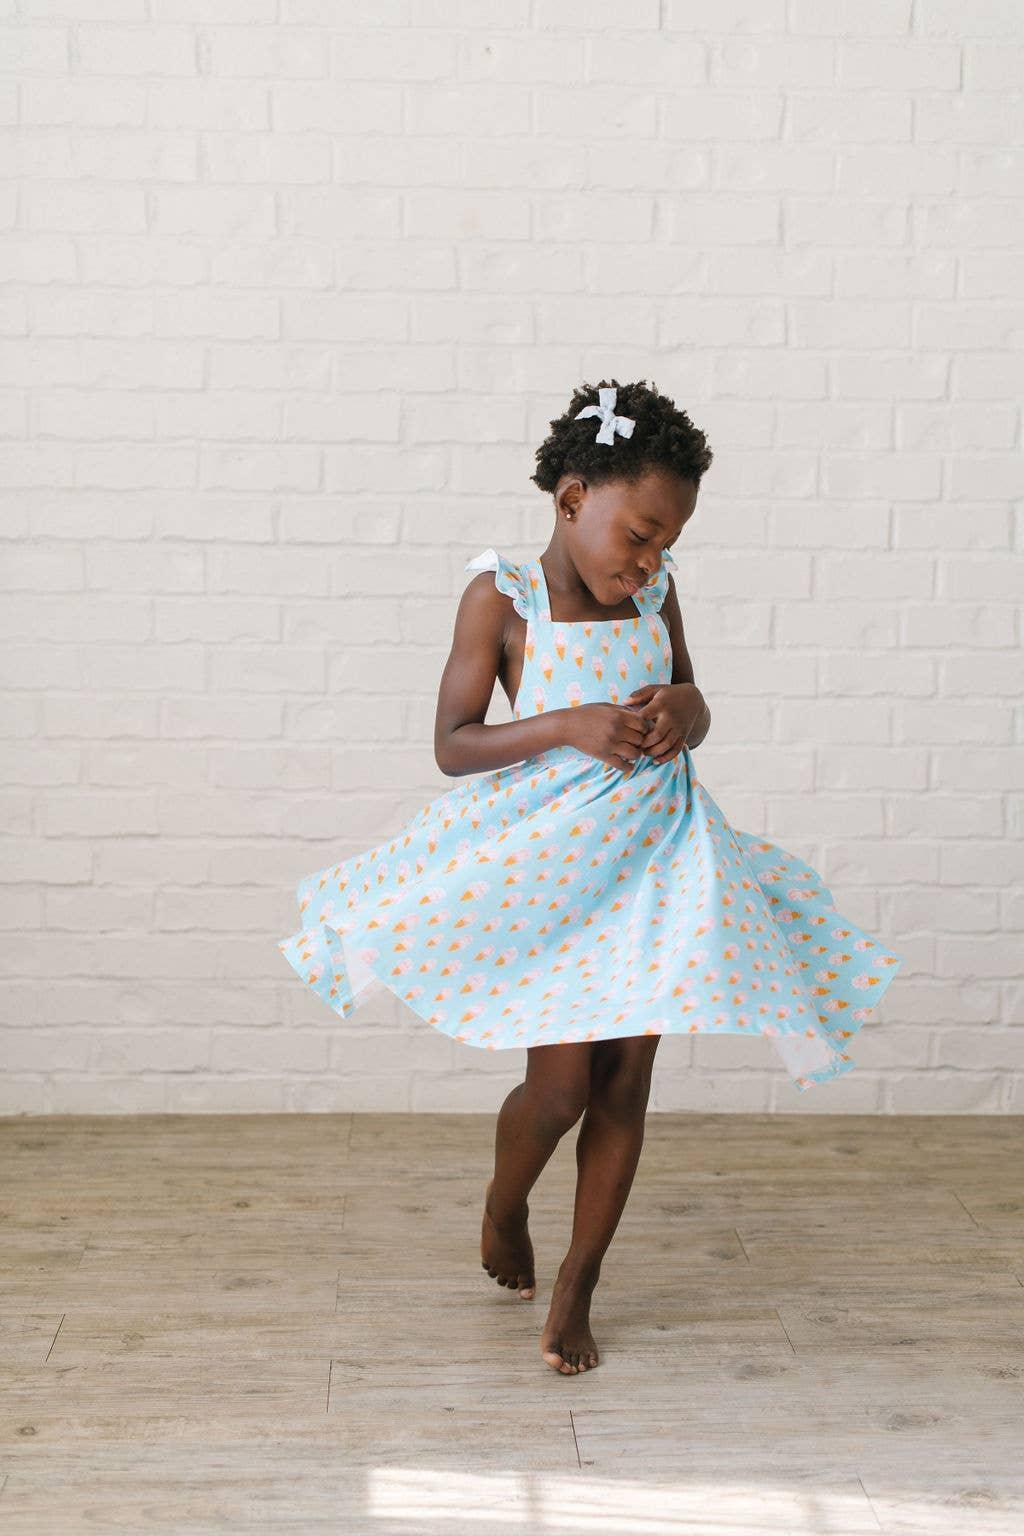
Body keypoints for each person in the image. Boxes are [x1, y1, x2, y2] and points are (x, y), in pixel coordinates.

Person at [278, 378, 903, 1376]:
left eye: (666, 545)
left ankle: (579, 1283)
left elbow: (690, 691)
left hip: (658, 859)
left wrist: (690, 710)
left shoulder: (656, 593)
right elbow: (452, 743)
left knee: (623, 1084)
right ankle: (503, 1205)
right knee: (560, 1088)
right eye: (639, 535)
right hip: (556, 874)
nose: (649, 561)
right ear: (573, 499)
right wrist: (565, 723)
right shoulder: (503, 598)